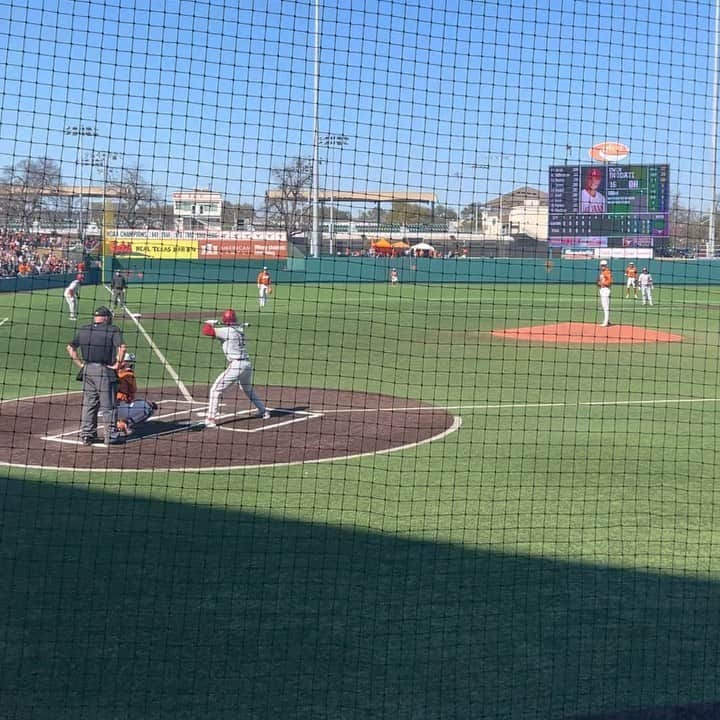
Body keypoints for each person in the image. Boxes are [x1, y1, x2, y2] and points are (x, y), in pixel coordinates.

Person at [66, 306, 127, 446]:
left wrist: (80, 365)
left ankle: (87, 435)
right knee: (108, 405)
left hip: (87, 370)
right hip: (104, 371)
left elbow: (70, 347)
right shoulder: (112, 329)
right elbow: (122, 347)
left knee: (89, 404)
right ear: (106, 318)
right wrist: (118, 364)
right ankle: (111, 436)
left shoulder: (84, 329)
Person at [201, 309, 270, 427]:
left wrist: (210, 323)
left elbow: (206, 331)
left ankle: (211, 418)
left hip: (236, 365)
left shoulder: (225, 331)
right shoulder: (239, 330)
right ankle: (264, 411)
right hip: (247, 365)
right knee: (247, 389)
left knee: (215, 390)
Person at [115, 352, 159, 435]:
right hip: (121, 408)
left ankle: (113, 422)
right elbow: (133, 390)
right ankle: (125, 423)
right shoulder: (128, 375)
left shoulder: (109, 373)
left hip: (106, 409)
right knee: (151, 407)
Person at [597, 259, 613, 327]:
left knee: (605, 306)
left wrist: (602, 283)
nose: (602, 267)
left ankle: (606, 322)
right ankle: (608, 321)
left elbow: (610, 281)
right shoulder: (602, 272)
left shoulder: (607, 272)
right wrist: (599, 283)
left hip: (605, 290)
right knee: (605, 306)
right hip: (602, 289)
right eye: (602, 265)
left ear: (606, 266)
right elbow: (600, 281)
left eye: (604, 265)